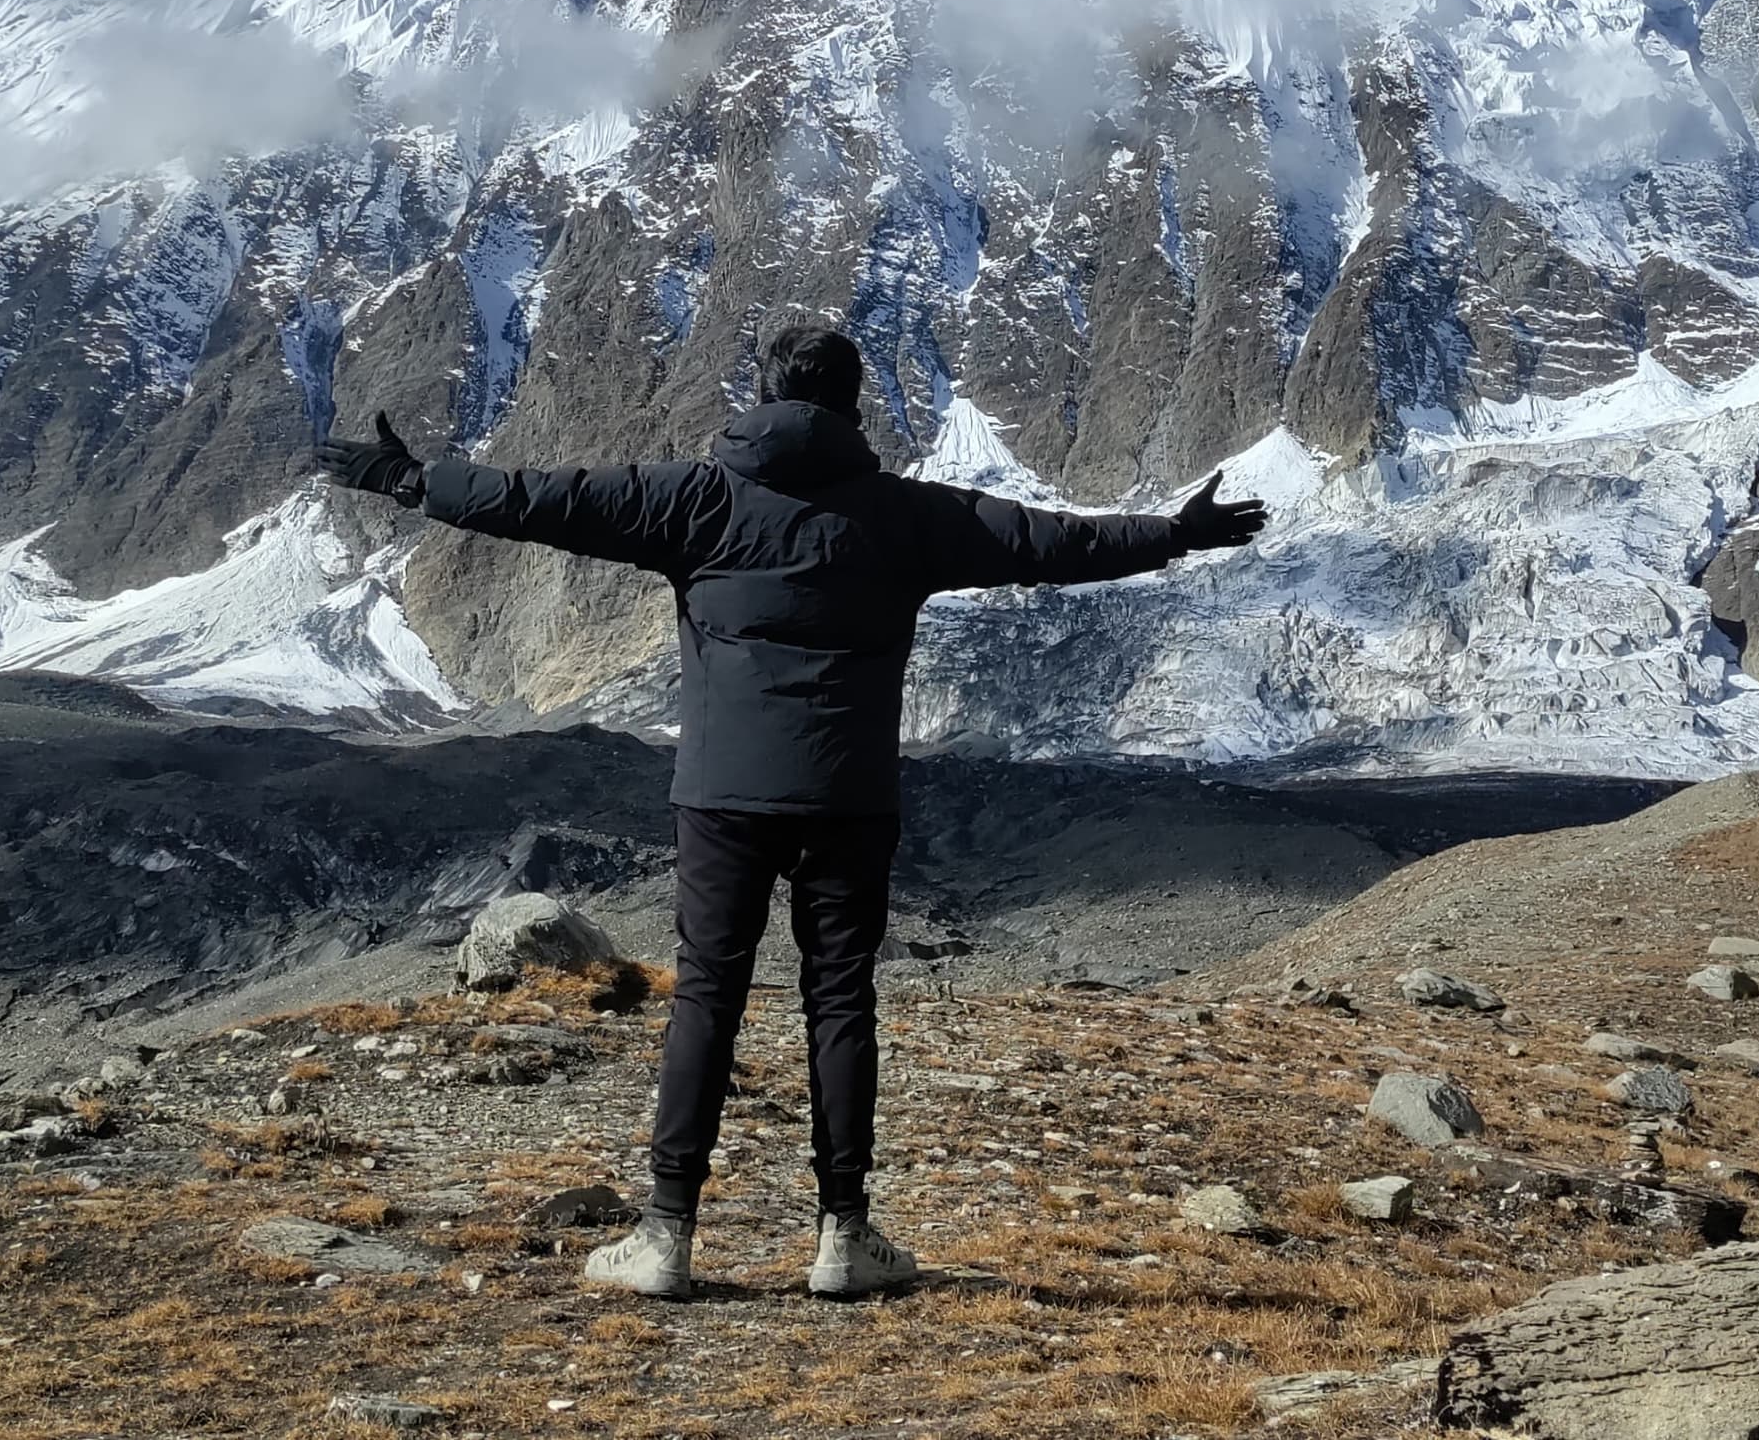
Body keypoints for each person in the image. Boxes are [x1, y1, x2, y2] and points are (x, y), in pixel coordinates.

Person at [314, 324, 1268, 1298]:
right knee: (840, 1000)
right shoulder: (906, 514)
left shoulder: (692, 497)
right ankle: (844, 1235)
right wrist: (1174, 533)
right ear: (853, 407)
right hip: (850, 797)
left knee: (706, 996)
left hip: (723, 796)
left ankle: (666, 1236)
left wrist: (408, 479)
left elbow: (536, 500)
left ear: (758, 393)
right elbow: (1049, 542)